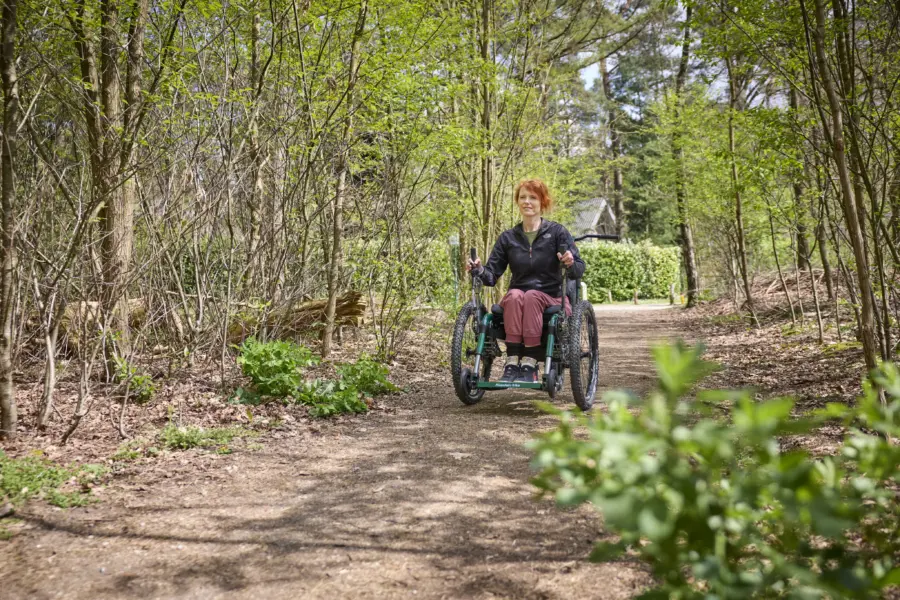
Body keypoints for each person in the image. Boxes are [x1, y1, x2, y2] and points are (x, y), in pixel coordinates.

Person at [466, 179, 585, 383]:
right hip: (518, 298)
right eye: (522, 197)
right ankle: (512, 361)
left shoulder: (557, 233)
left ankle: (529, 362)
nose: (527, 202)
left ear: (542, 202)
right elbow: (492, 275)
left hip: (553, 297)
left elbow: (579, 269)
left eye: (533, 197)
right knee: (513, 295)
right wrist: (478, 269)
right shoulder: (508, 238)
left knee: (531, 296)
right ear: (517, 202)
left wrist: (570, 262)